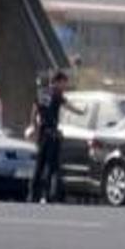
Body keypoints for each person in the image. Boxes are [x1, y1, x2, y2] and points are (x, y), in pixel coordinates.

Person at [30, 71, 83, 204]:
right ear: (58, 81)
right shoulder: (56, 94)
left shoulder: (42, 93)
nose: (65, 86)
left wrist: (35, 130)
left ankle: (33, 195)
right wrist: (81, 112)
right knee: (51, 166)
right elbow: (70, 107)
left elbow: (34, 113)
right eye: (64, 82)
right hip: (52, 134)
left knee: (39, 165)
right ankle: (47, 195)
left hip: (43, 133)